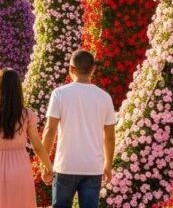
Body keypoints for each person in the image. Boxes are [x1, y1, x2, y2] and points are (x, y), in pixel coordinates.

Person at [41, 50, 117, 208]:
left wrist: (45, 162)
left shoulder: (59, 94)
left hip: (65, 165)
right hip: (93, 167)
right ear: (93, 69)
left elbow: (50, 130)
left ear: (71, 68)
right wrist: (108, 164)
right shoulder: (104, 97)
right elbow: (109, 137)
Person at [0, 68, 54, 208]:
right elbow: (37, 146)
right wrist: (48, 167)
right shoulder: (27, 115)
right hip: (20, 168)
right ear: (18, 90)